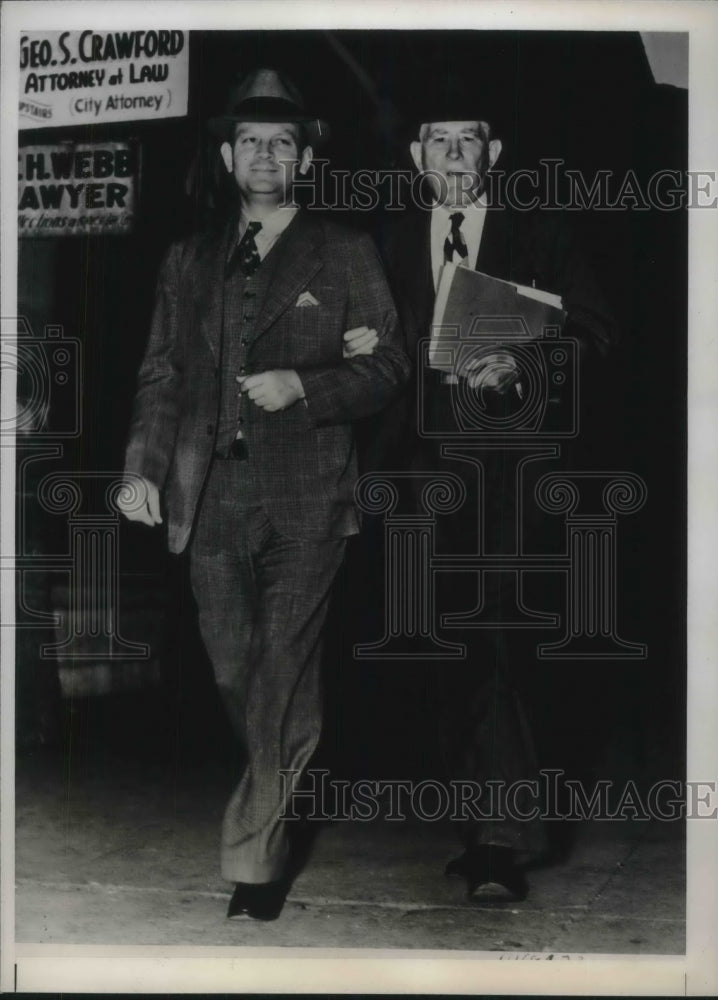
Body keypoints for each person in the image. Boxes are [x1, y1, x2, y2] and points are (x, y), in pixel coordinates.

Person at [120, 68, 408, 921]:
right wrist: (141, 468)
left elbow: (389, 365)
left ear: (305, 160)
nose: (266, 154)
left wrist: (307, 386)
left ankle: (254, 860)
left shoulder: (346, 251)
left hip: (308, 500)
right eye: (250, 141)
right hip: (206, 500)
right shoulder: (188, 258)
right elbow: (162, 373)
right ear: (225, 156)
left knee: (280, 670)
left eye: (283, 141)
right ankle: (279, 794)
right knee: (238, 674)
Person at [374, 88, 616, 900]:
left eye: (467, 141)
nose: (451, 155)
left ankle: (499, 840)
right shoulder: (383, 244)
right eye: (436, 140)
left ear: (494, 155)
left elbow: (597, 330)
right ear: (416, 158)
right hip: (417, 480)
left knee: (501, 640)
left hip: (512, 474)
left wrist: (524, 357)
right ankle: (480, 821)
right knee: (442, 652)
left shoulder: (540, 232)